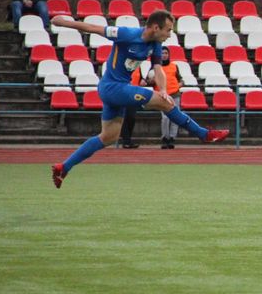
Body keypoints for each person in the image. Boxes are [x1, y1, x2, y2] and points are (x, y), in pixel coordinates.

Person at [50, 10, 230, 188]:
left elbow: (158, 68)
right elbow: (92, 27)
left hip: (119, 92)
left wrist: (164, 89)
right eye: (168, 30)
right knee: (164, 104)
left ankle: (63, 167)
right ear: (155, 27)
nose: (170, 34)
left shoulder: (156, 43)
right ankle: (204, 134)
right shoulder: (126, 34)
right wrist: (64, 22)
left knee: (109, 137)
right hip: (112, 87)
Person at [149, 46, 183, 149]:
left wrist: (178, 85)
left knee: (175, 117)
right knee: (165, 118)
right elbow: (148, 81)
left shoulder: (174, 66)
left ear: (169, 55)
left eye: (166, 53)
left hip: (175, 94)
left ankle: (172, 138)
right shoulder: (155, 67)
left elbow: (181, 80)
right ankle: (165, 138)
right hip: (162, 96)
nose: (164, 55)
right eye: (162, 53)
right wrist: (152, 81)